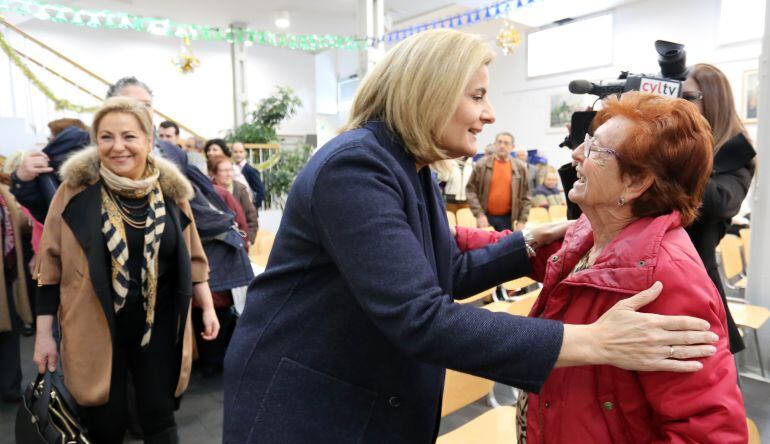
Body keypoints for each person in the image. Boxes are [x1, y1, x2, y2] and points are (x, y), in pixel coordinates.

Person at [222, 30, 717, 443]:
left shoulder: (406, 165)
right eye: (477, 96)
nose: (490, 114)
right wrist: (593, 341)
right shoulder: (356, 167)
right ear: (429, 92)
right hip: (315, 409)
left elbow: (444, 271)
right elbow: (421, 315)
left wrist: (524, 245)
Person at [455, 92, 747, 442]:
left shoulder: (665, 280)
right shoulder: (590, 235)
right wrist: (418, 223)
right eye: (587, 141)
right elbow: (498, 247)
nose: (576, 153)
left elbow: (710, 433)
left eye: (596, 150)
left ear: (636, 182)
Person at [32, 97, 220, 443]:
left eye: (129, 136)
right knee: (105, 421)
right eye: (106, 137)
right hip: (94, 325)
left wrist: (206, 306)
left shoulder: (171, 191)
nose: (118, 147)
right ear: (96, 142)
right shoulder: (74, 191)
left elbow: (194, 257)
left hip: (159, 326)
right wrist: (45, 334)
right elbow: (50, 267)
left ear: (149, 142)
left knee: (160, 416)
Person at [682, 63, 756, 354]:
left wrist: (678, 151)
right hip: (647, 276)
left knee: (713, 388)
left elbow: (717, 203)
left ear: (713, 99)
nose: (678, 104)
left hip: (695, 283)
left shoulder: (735, 154)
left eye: (688, 97)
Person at [0, 182, 33, 402]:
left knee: (8, 333)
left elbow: (21, 221)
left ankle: (10, 389)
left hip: (5, 278)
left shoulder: (3, 192)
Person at [466, 131, 531, 231]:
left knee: (507, 246)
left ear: (512, 147)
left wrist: (522, 221)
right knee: (486, 246)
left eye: (506, 143)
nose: (502, 146)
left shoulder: (520, 168)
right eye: (499, 142)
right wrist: (479, 215)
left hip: (509, 219)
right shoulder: (481, 165)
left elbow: (526, 196)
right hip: (485, 218)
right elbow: (470, 190)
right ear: (495, 144)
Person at [208, 155, 258, 246]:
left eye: (231, 170)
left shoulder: (240, 189)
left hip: (240, 241)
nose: (229, 174)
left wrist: (249, 239)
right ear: (213, 173)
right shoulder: (208, 191)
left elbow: (251, 216)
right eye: (224, 171)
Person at [231, 141, 266, 208]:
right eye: (235, 152)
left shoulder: (250, 170)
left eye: (241, 152)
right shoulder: (231, 169)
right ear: (231, 153)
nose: (238, 154)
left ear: (245, 153)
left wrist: (253, 207)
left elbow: (261, 192)